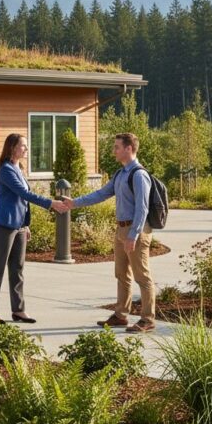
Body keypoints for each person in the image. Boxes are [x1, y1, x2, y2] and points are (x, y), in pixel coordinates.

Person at [62, 132, 156, 333]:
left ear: (129, 148)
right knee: (121, 274)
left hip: (135, 231)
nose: (114, 151)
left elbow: (143, 208)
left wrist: (133, 235)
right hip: (121, 229)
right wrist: (74, 203)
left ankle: (147, 319)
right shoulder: (120, 174)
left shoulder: (139, 175)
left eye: (117, 147)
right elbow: (101, 194)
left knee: (142, 276)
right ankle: (121, 315)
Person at [0, 132, 67, 323]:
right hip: (4, 223)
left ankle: (18, 310)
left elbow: (23, 201)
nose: (26, 149)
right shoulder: (6, 170)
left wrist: (26, 224)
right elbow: (23, 194)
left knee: (17, 268)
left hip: (19, 225)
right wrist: (50, 203)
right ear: (12, 147)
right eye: (23, 146)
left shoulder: (18, 167)